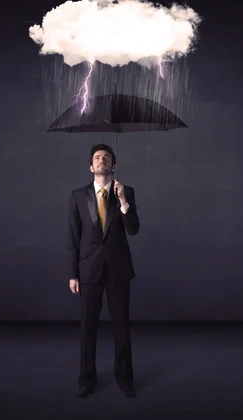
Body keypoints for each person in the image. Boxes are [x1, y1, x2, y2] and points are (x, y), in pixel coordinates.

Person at [67, 143, 140, 399]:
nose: (102, 161)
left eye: (106, 158)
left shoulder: (126, 191)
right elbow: (72, 237)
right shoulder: (77, 195)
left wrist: (123, 202)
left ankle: (125, 379)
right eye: (97, 158)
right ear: (90, 167)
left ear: (113, 165)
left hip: (118, 271)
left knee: (122, 327)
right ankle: (86, 381)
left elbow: (133, 229)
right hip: (88, 271)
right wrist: (73, 273)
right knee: (88, 328)